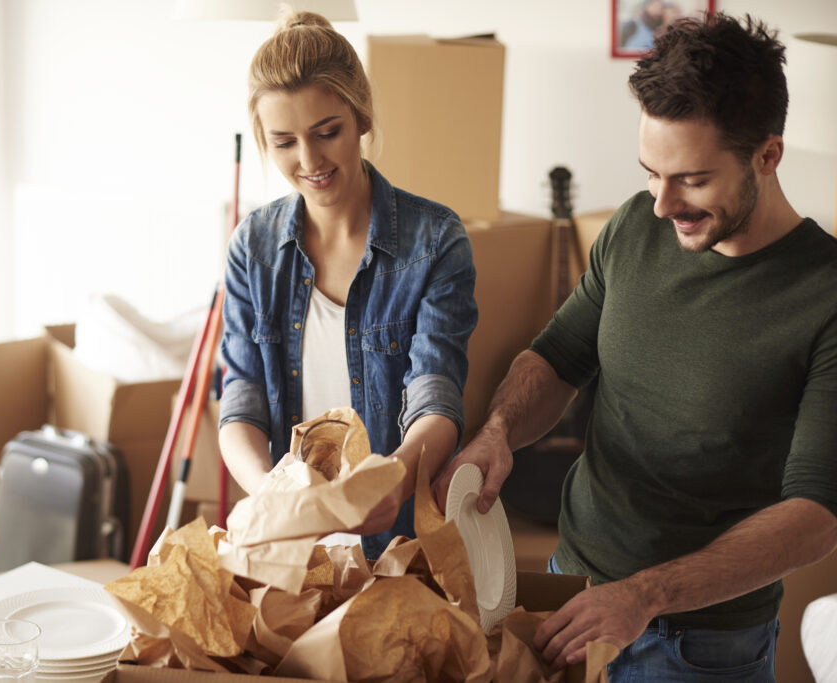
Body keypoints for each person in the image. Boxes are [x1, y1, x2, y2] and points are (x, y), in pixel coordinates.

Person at [435, 12, 837, 681]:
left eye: (692, 180)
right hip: (571, 592)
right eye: (651, 173)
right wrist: (498, 430)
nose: (660, 203)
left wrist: (645, 595)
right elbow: (560, 353)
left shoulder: (825, 295)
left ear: (768, 156)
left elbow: (818, 515)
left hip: (700, 647)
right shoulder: (634, 226)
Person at [219, 10, 478, 560]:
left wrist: (394, 478)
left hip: (400, 546)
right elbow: (240, 401)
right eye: (283, 141)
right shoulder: (253, 246)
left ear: (360, 118)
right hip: (289, 551)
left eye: (327, 132)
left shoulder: (434, 240)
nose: (309, 160)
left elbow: (437, 393)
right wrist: (274, 497)